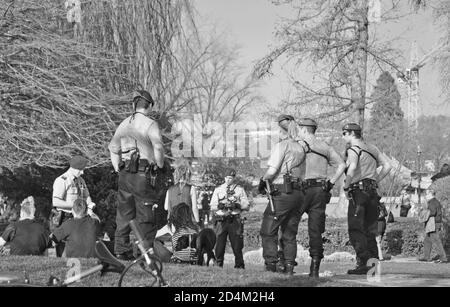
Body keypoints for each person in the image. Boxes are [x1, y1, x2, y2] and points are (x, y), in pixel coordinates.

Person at [108, 89, 165, 260]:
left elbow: (112, 148)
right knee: (145, 213)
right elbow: (159, 146)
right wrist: (160, 164)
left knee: (124, 213)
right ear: (149, 106)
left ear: (134, 104)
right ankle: (143, 252)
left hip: (125, 173)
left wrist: (117, 167)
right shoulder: (150, 123)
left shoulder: (124, 124)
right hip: (143, 173)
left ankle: (120, 249)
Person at [295, 118, 346, 278]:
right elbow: (342, 165)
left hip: (301, 189)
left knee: (289, 226)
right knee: (315, 231)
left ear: (304, 130)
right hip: (320, 190)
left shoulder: (297, 145)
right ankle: (314, 268)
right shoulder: (324, 146)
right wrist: (331, 182)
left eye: (299, 129)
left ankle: (287, 264)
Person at [258, 115, 306, 275]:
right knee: (289, 233)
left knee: (268, 229)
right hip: (298, 193)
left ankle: (271, 265)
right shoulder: (300, 147)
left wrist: (263, 180)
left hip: (282, 192)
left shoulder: (282, 146)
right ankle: (289, 266)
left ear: (280, 130)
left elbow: (272, 171)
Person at [342, 123, 392, 275]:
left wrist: (346, 185)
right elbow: (388, 166)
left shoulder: (353, 149)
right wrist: (376, 179)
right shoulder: (372, 148)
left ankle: (363, 263)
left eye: (344, 133)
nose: (342, 136)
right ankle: (373, 265)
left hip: (359, 191)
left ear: (351, 133)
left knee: (356, 229)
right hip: (372, 192)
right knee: (370, 229)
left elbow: (352, 167)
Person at [52, 155, 97, 257]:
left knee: (79, 242)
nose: (82, 172)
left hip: (80, 216)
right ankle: (62, 265)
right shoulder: (62, 180)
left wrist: (89, 207)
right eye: (80, 170)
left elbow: (87, 195)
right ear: (73, 168)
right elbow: (55, 202)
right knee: (63, 247)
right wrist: (74, 206)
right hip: (65, 216)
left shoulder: (81, 180)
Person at [210, 169, 249, 269]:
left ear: (234, 178)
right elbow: (212, 205)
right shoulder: (218, 189)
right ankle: (218, 265)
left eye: (230, 178)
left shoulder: (239, 189)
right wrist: (220, 205)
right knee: (219, 244)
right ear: (224, 178)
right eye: (227, 178)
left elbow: (247, 205)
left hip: (234, 220)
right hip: (221, 219)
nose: (228, 180)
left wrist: (237, 205)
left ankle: (239, 266)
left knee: (237, 245)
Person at [164, 160, 199, 228]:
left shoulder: (169, 189)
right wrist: (197, 222)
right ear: (187, 175)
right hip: (187, 222)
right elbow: (194, 208)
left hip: (173, 223)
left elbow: (165, 207)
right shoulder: (191, 188)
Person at [419, 189, 448, 263]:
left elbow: (432, 212)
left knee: (436, 240)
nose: (425, 194)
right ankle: (426, 257)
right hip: (432, 223)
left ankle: (443, 258)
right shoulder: (433, 201)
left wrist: (423, 213)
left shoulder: (432, 202)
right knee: (427, 240)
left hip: (433, 224)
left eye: (427, 193)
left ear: (431, 194)